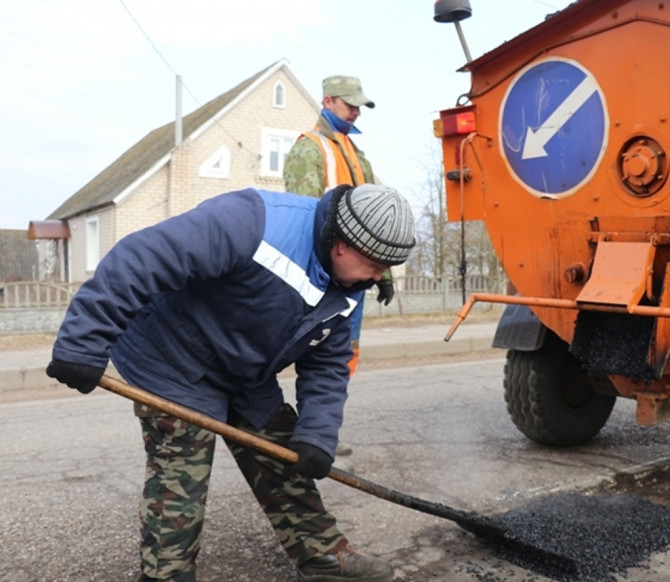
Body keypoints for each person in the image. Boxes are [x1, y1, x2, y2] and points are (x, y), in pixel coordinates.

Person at [46, 184, 416, 582]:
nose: (379, 277)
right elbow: (142, 256)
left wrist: (317, 436)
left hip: (243, 368)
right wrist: (83, 341)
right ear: (342, 243)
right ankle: (165, 575)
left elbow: (327, 365)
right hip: (172, 357)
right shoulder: (253, 221)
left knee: (284, 454)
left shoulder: (351, 285)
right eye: (376, 264)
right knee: (180, 477)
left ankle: (322, 556)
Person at [283, 75, 393, 378]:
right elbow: (302, 218)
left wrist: (384, 273)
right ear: (327, 101)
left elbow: (376, 221)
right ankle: (316, 418)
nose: (356, 112)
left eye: (360, 106)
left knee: (343, 355)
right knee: (322, 357)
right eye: (350, 104)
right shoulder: (310, 148)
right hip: (326, 276)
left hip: (354, 276)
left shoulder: (358, 157)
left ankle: (331, 408)